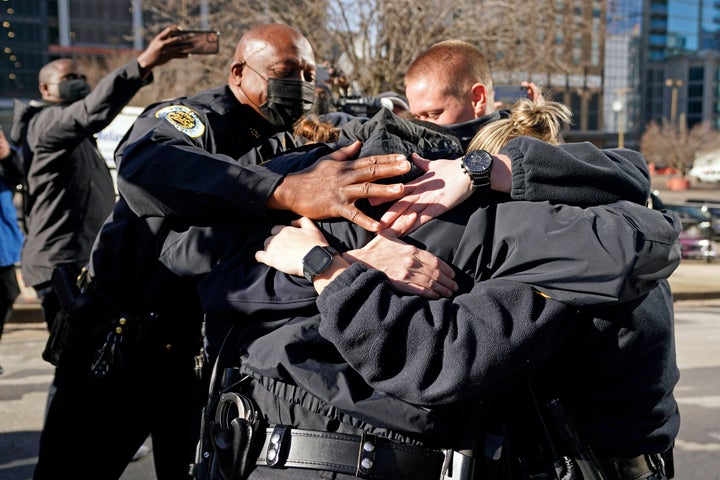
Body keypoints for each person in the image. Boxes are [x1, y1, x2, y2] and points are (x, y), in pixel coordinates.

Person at [157, 96, 678, 479]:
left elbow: (438, 357)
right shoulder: (587, 234)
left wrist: (329, 268)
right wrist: (343, 263)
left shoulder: (561, 258)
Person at [35, 23, 415, 480]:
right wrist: (284, 189)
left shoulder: (289, 134)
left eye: (309, 74)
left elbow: (357, 134)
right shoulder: (198, 118)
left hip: (198, 356)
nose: (300, 85)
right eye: (286, 71)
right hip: (119, 347)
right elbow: (145, 167)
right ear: (239, 72)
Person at [8, 25, 191, 332]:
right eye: (69, 78)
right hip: (61, 265)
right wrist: (142, 64)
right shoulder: (45, 124)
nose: (79, 83)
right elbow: (89, 113)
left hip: (81, 258)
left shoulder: (75, 134)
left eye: (81, 78)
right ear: (45, 89)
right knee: (74, 358)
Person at [0, 126, 24, 376]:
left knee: (9, 293)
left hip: (3, 244)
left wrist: (6, 155)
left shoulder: (6, 157)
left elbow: (20, 174)